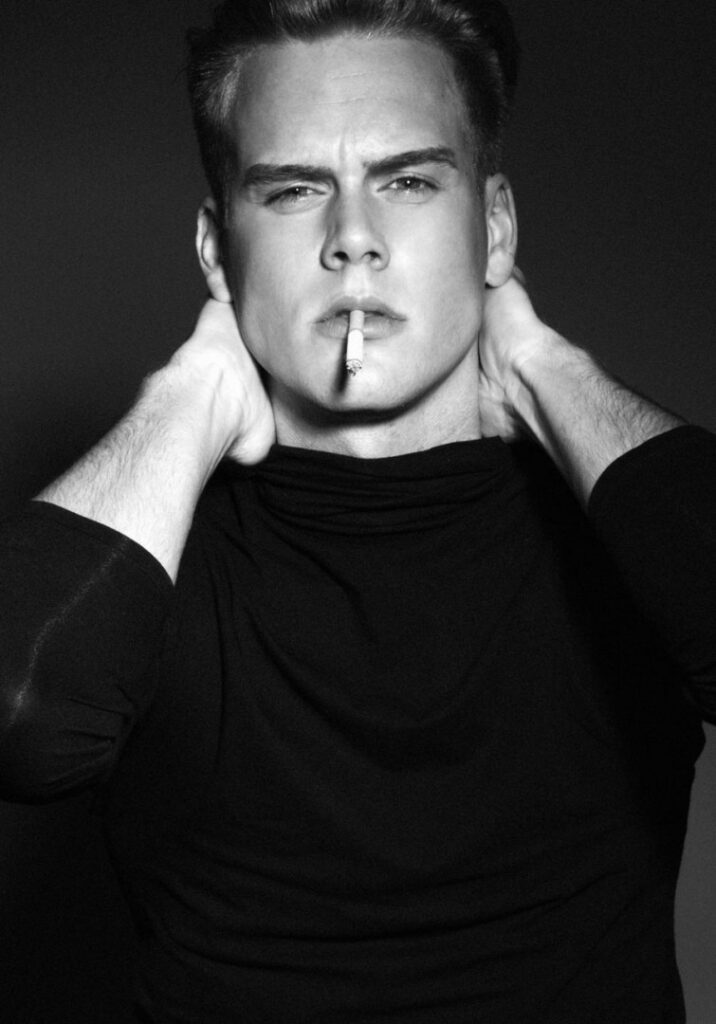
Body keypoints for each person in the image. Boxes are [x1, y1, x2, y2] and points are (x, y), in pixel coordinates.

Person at [0, 0, 714, 1021]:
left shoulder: (622, 526)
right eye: (293, 191)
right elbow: (19, 725)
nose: (352, 241)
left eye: (408, 181)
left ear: (494, 227)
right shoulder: (146, 552)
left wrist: (542, 367)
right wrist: (189, 395)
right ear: (217, 250)